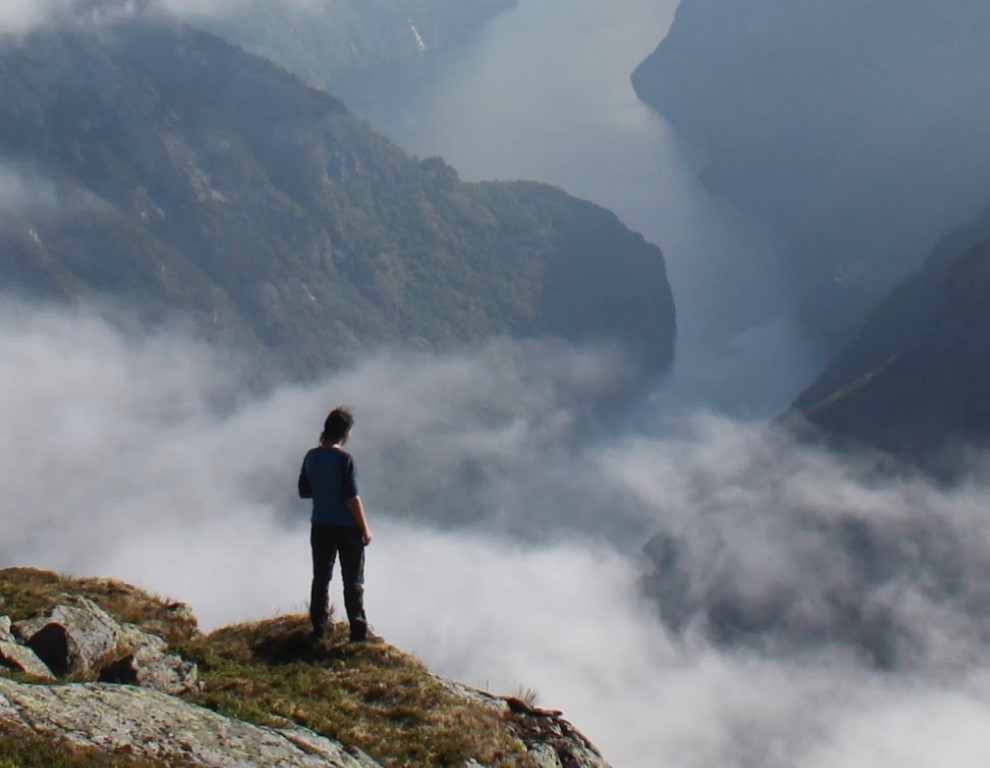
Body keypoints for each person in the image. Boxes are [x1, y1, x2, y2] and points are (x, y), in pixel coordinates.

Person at [298, 406, 375, 642]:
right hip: (346, 528)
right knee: (353, 581)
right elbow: (352, 498)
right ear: (345, 432)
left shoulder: (311, 456)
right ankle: (358, 632)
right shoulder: (344, 460)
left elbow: (304, 491)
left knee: (321, 578)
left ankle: (319, 627)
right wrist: (365, 529)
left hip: (320, 525)